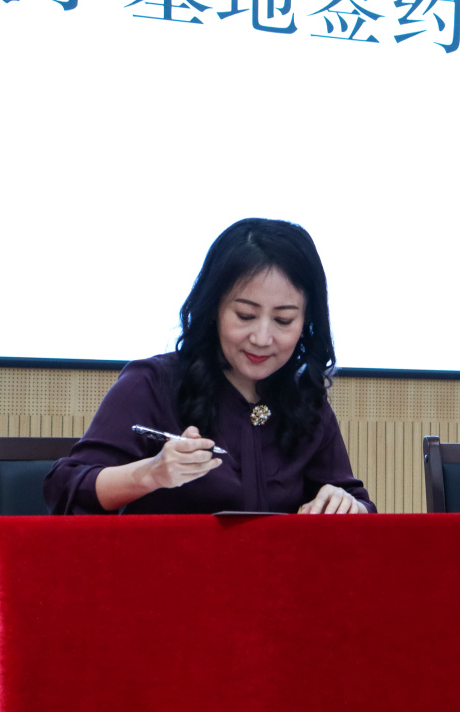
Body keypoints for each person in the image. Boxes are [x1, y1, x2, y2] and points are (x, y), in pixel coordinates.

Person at [44, 218, 374, 515]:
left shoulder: (305, 399)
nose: (262, 338)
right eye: (245, 315)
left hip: (273, 566)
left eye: (284, 320)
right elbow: (64, 485)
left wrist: (347, 504)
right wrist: (152, 473)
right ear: (214, 308)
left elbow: (357, 504)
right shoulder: (153, 384)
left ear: (307, 321)